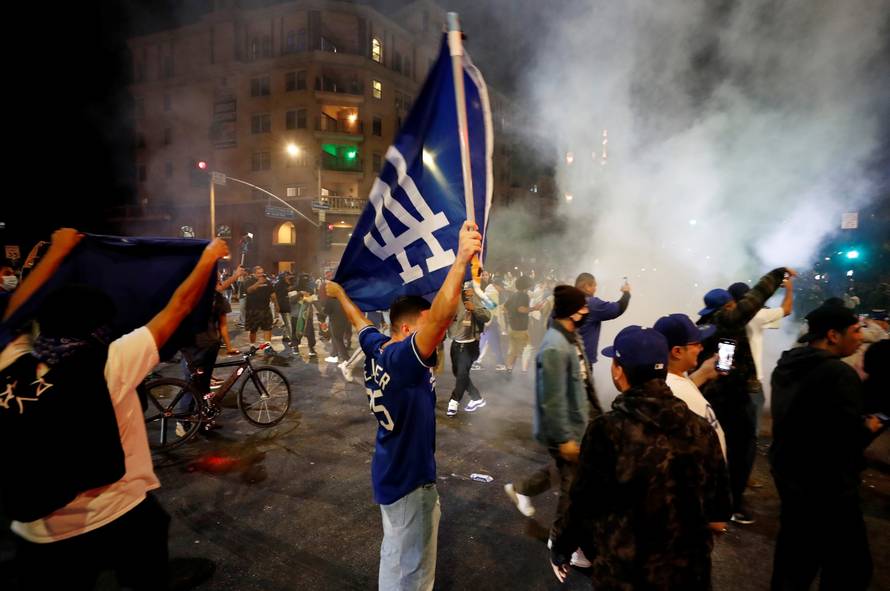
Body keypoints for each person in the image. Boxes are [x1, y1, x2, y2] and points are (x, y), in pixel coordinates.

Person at [1, 229, 226, 590]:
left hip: (36, 529)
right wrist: (209, 256)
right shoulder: (110, 362)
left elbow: (14, 313)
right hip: (116, 511)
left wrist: (57, 253)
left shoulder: (11, 360)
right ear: (99, 327)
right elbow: (178, 307)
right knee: (145, 569)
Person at [324, 221, 481, 591]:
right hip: (410, 482)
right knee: (415, 574)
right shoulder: (404, 361)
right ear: (409, 331)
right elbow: (442, 317)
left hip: (388, 470)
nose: (437, 334)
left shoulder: (378, 347)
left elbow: (360, 322)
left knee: (394, 555)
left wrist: (340, 293)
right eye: (427, 329)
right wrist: (460, 260)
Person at [550, 326, 731, 589]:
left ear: (617, 370)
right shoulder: (701, 428)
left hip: (626, 574)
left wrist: (562, 548)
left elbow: (583, 502)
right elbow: (719, 511)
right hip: (690, 574)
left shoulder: (607, 430)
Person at [770, 304, 884, 590]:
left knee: (792, 568)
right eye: (855, 331)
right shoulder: (836, 374)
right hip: (829, 490)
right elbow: (846, 438)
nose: (860, 337)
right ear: (833, 335)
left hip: (792, 481)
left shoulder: (787, 364)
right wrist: (868, 427)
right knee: (851, 570)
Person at [504, 285, 598, 561]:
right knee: (571, 487)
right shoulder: (554, 346)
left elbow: (582, 383)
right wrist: (564, 438)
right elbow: (551, 398)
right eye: (582, 306)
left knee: (562, 473)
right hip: (565, 429)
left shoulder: (571, 336)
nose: (587, 311)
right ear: (571, 311)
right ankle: (562, 544)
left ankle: (521, 488)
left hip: (579, 423)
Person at [697, 266, 794, 525]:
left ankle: (715, 500)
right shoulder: (727, 320)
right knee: (740, 451)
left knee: (722, 449)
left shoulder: (712, 327)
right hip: (731, 400)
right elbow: (757, 297)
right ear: (729, 306)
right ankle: (729, 506)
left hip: (718, 397)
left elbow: (723, 366)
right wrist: (777, 275)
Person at [727, 276, 794, 438]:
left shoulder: (723, 316)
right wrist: (790, 288)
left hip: (726, 377)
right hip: (750, 380)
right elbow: (787, 309)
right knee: (748, 428)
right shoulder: (755, 315)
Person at [653, 313, 727, 458]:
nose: (701, 348)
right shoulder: (672, 390)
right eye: (696, 344)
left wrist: (703, 374)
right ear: (677, 351)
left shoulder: (672, 379)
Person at [446, 282, 491, 416]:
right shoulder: (447, 299)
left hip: (469, 345)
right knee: (458, 373)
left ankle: (454, 401)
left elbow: (487, 316)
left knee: (462, 375)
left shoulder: (468, 296)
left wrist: (474, 309)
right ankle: (477, 398)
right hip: (455, 343)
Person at [574, 272, 631, 371]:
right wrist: (626, 293)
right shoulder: (591, 304)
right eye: (594, 286)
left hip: (566, 357)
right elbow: (617, 309)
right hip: (582, 361)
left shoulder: (566, 301)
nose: (595, 289)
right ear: (587, 286)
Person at [244, 266, 277, 346]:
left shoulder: (267, 281)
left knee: (268, 328)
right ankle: (252, 346)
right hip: (253, 309)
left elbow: (272, 293)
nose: (261, 274)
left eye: (262, 272)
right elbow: (248, 290)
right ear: (254, 273)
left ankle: (267, 347)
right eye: (259, 273)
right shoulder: (249, 280)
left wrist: (276, 304)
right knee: (253, 329)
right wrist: (258, 282)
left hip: (265, 308)